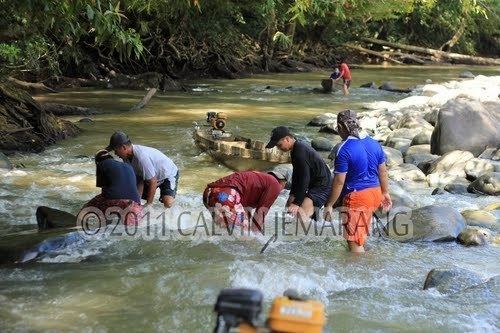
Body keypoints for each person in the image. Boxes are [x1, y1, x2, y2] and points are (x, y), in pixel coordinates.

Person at [323, 110, 392, 253]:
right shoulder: (374, 143)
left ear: (341, 127)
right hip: (375, 194)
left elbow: (339, 181)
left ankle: (362, 271)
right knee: (361, 237)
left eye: (338, 128)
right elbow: (383, 171)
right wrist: (385, 193)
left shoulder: (344, 149)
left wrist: (329, 204)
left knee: (354, 244)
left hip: (357, 198)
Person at [266, 126, 332, 221]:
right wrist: (293, 194)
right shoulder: (296, 149)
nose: (278, 148)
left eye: (279, 145)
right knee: (289, 211)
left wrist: (297, 203)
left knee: (300, 218)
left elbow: (304, 178)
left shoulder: (300, 150)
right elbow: (297, 175)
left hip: (321, 187)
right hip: (313, 186)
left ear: (287, 139)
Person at [106, 131, 179, 208]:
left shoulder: (141, 157)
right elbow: (139, 180)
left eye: (115, 150)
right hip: (153, 177)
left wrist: (148, 205)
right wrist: (136, 203)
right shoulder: (126, 158)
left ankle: (175, 205)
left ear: (124, 147)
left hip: (168, 174)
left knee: (167, 204)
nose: (115, 153)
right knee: (129, 197)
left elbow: (153, 182)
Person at [203, 170, 291, 231]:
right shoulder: (274, 184)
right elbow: (260, 214)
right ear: (282, 182)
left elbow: (244, 209)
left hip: (209, 193)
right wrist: (256, 238)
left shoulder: (257, 179)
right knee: (244, 234)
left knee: (227, 233)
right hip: (225, 196)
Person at [81, 150, 142, 225]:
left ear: (97, 162)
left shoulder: (101, 164)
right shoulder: (128, 165)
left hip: (115, 200)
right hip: (135, 204)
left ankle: (80, 224)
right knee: (132, 228)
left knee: (88, 207)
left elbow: (103, 189)